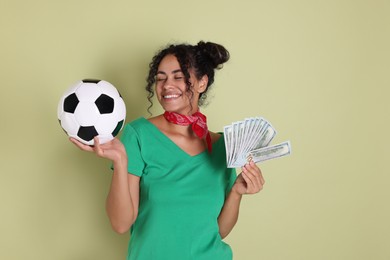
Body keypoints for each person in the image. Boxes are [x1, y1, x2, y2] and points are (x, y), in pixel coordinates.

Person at [71, 41, 265, 260]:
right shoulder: (139, 134)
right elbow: (120, 224)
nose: (166, 85)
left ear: (202, 83)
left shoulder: (223, 146)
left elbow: (217, 232)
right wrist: (121, 162)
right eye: (161, 78)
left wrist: (237, 192)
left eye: (178, 77)